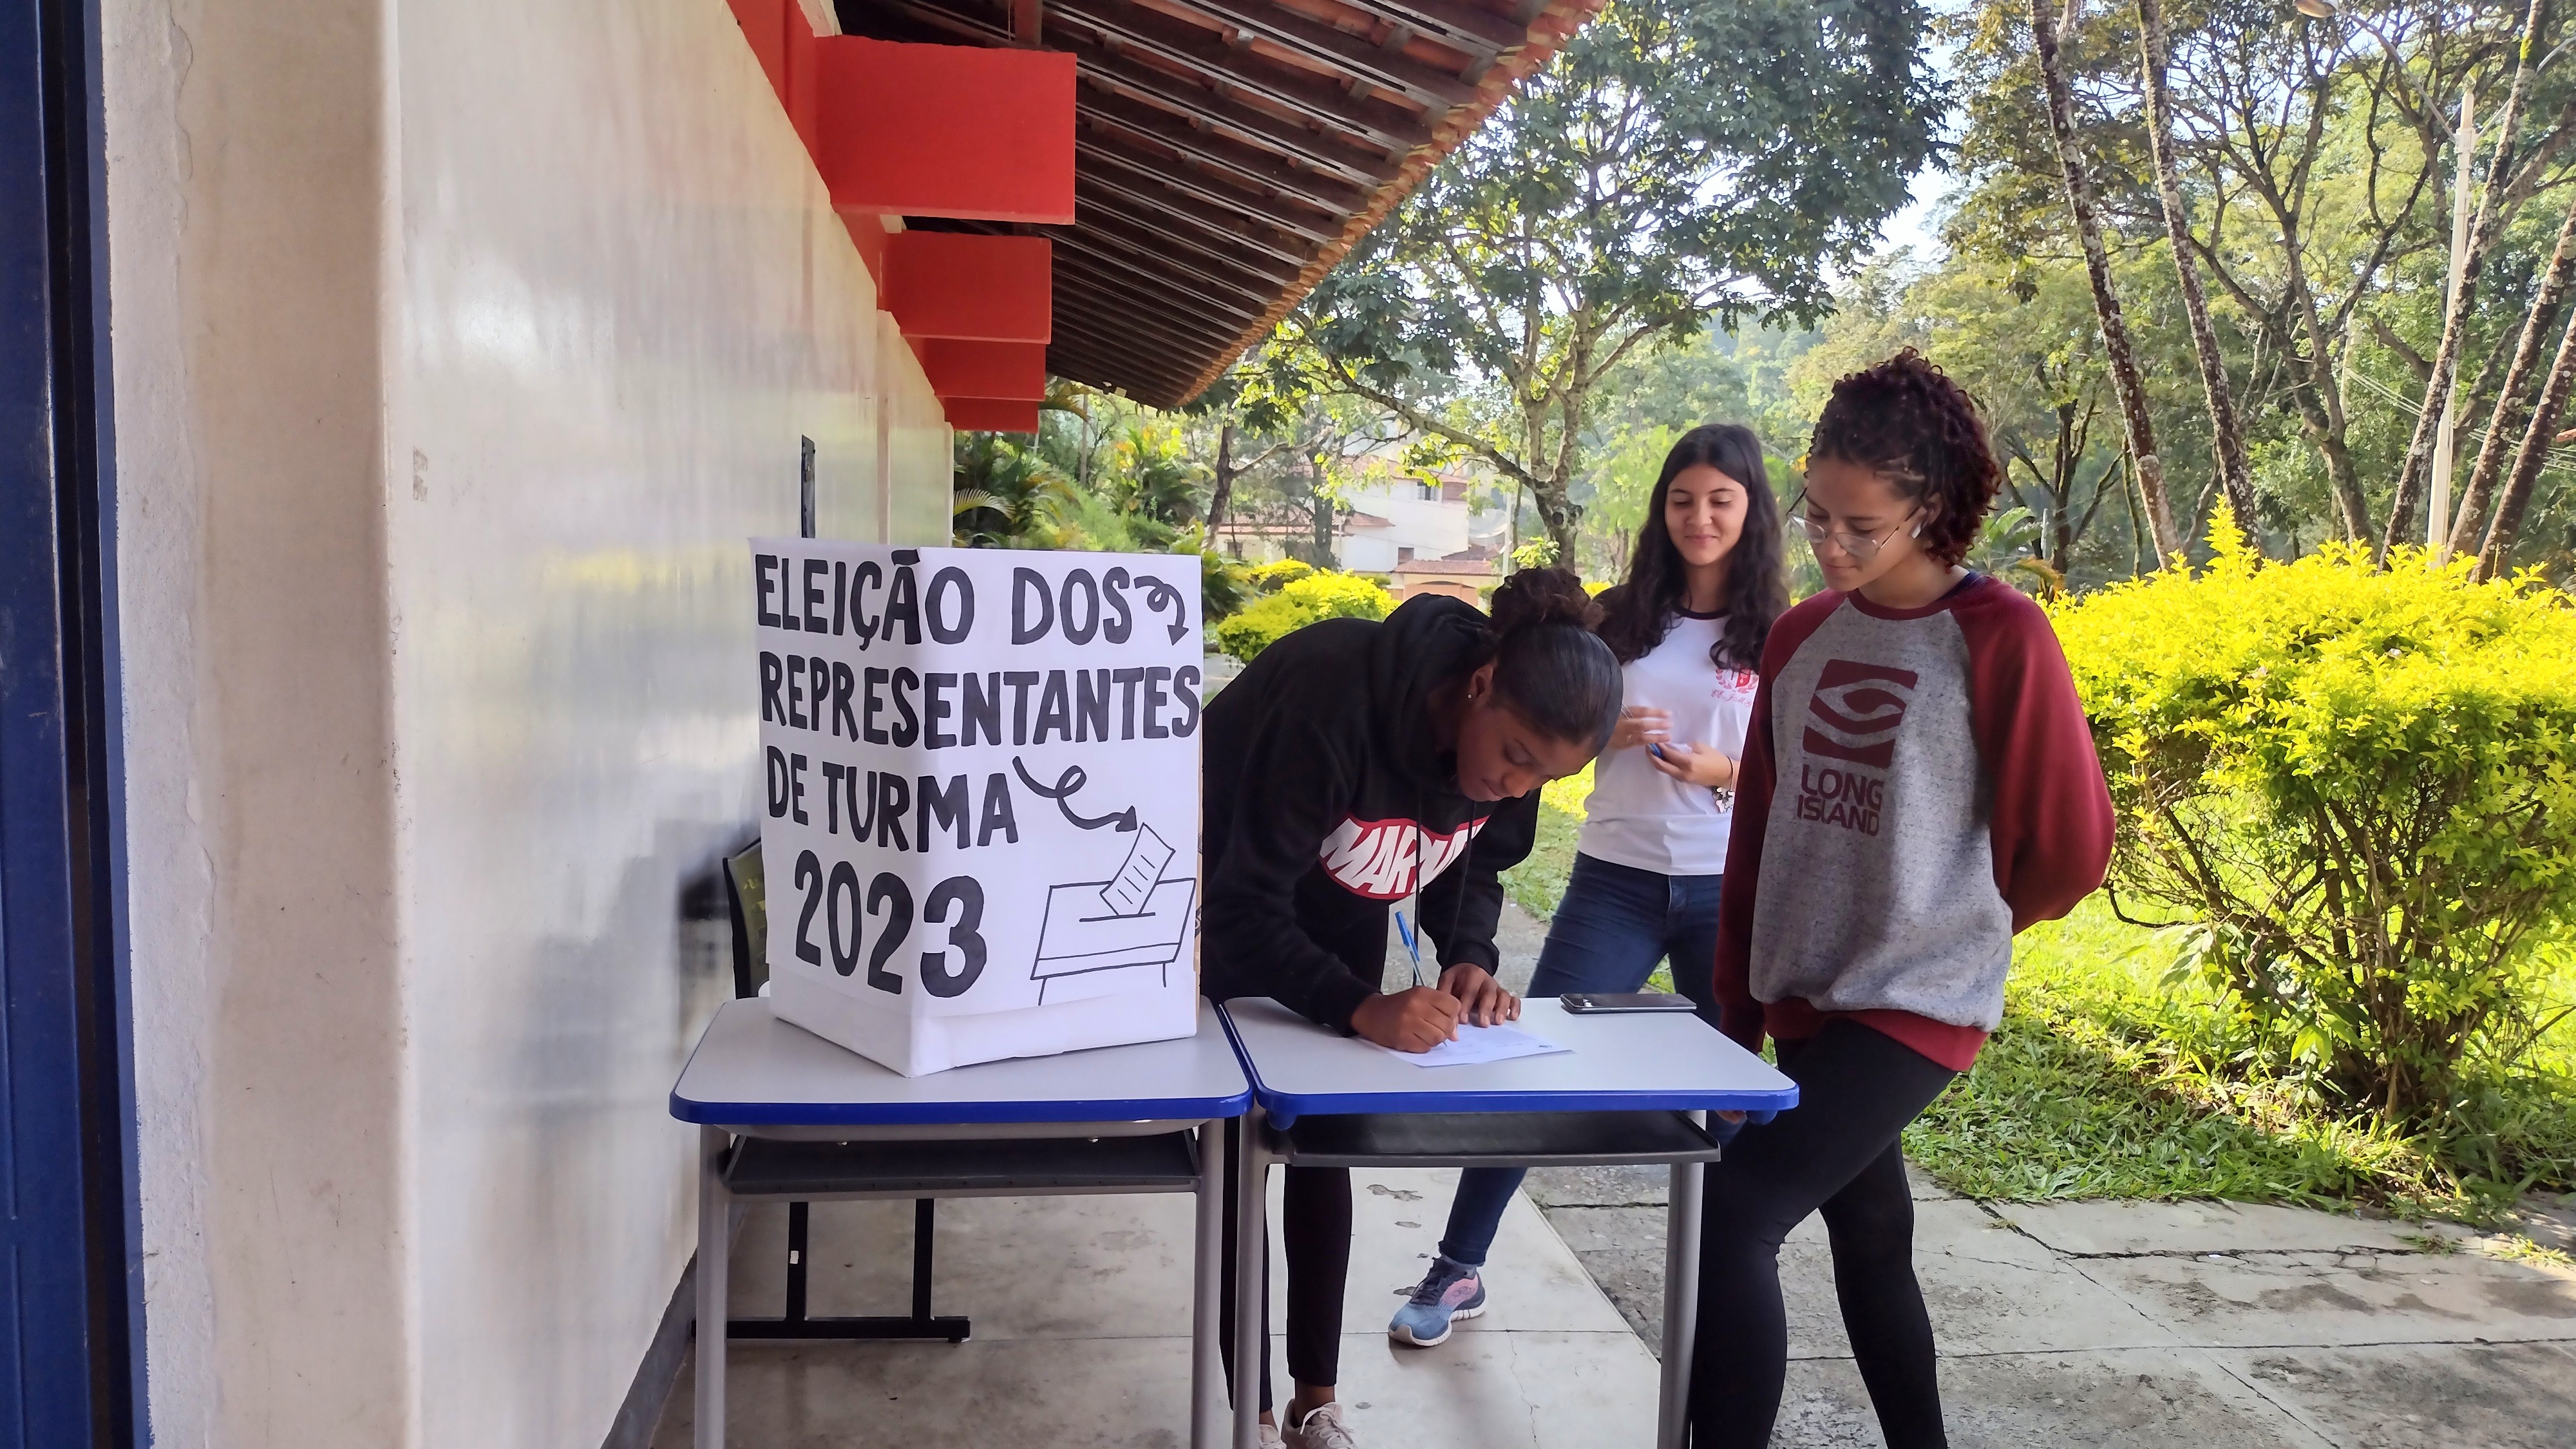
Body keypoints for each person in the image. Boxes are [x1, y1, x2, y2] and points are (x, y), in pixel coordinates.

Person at [1685, 350, 2114, 1448]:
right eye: (1817, 515)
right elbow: (1757, 836)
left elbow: (2072, 849)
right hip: (1807, 988)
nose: (1830, 544)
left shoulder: (2001, 636)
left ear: (1931, 511)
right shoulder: (1800, 633)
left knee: (1735, 1211)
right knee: (1872, 1235)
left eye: (1861, 527)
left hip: (1917, 995)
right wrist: (1735, 1019)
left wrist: (1957, 916)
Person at [1200, 567, 1624, 1449]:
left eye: (1543, 776)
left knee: (1323, 1146)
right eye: (1515, 757)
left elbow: (1479, 860)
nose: (1516, 785)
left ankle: (1315, 1403)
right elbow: (1241, 908)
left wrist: (1469, 955)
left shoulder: (1514, 757)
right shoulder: (1330, 698)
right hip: (1217, 909)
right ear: (1480, 684)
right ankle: (1252, 1415)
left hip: (1336, 908)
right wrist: (1359, 1004)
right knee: (1240, 1162)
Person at [1388, 424, 1790, 1348]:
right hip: (1616, 880)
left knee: (1730, 1088)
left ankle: (1731, 1273)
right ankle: (1459, 1265)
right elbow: (1547, 732)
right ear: (1661, 509)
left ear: (1752, 512)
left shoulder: (1778, 633)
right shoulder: (1618, 620)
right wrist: (1600, 733)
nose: (1699, 517)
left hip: (1722, 885)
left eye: (1720, 501)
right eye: (1682, 499)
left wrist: (1723, 771)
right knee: (1530, 1066)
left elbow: (1789, 766)